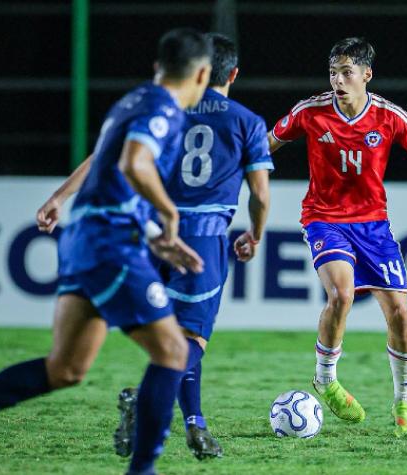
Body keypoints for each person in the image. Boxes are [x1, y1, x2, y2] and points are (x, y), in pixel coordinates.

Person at [0, 28, 213, 475]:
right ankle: (142, 471)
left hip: (83, 238)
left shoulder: (133, 100)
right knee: (173, 353)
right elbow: (133, 162)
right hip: (110, 243)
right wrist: (169, 220)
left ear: (157, 67)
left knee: (65, 368)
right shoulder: (165, 110)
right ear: (202, 74)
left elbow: (105, 159)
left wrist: (61, 197)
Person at [35, 33, 272, 460]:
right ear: (233, 73)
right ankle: (145, 401)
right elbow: (260, 193)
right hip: (201, 239)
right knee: (190, 340)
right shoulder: (247, 121)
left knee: (172, 341)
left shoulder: (168, 109)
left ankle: (196, 424)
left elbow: (107, 157)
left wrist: (60, 197)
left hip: (151, 235)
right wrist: (255, 233)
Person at [267, 37, 407, 438]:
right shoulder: (310, 113)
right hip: (324, 219)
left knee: (400, 313)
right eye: (333, 73)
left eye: (346, 73)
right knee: (342, 293)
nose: (338, 81)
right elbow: (265, 145)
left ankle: (403, 404)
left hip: (374, 226)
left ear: (367, 75)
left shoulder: (389, 117)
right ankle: (325, 380)